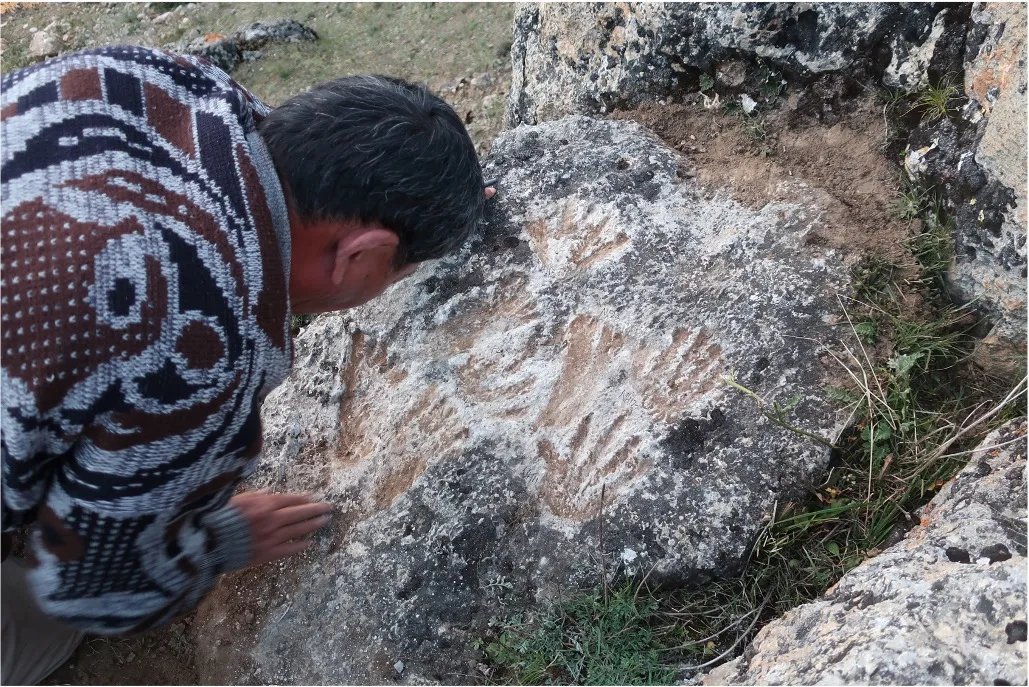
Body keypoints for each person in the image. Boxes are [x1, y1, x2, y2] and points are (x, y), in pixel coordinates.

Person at [1, 45, 492, 684]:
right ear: (362, 253)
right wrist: (211, 543)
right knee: (44, 627)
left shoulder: (147, 74)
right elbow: (93, 589)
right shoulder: (202, 347)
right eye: (403, 268)